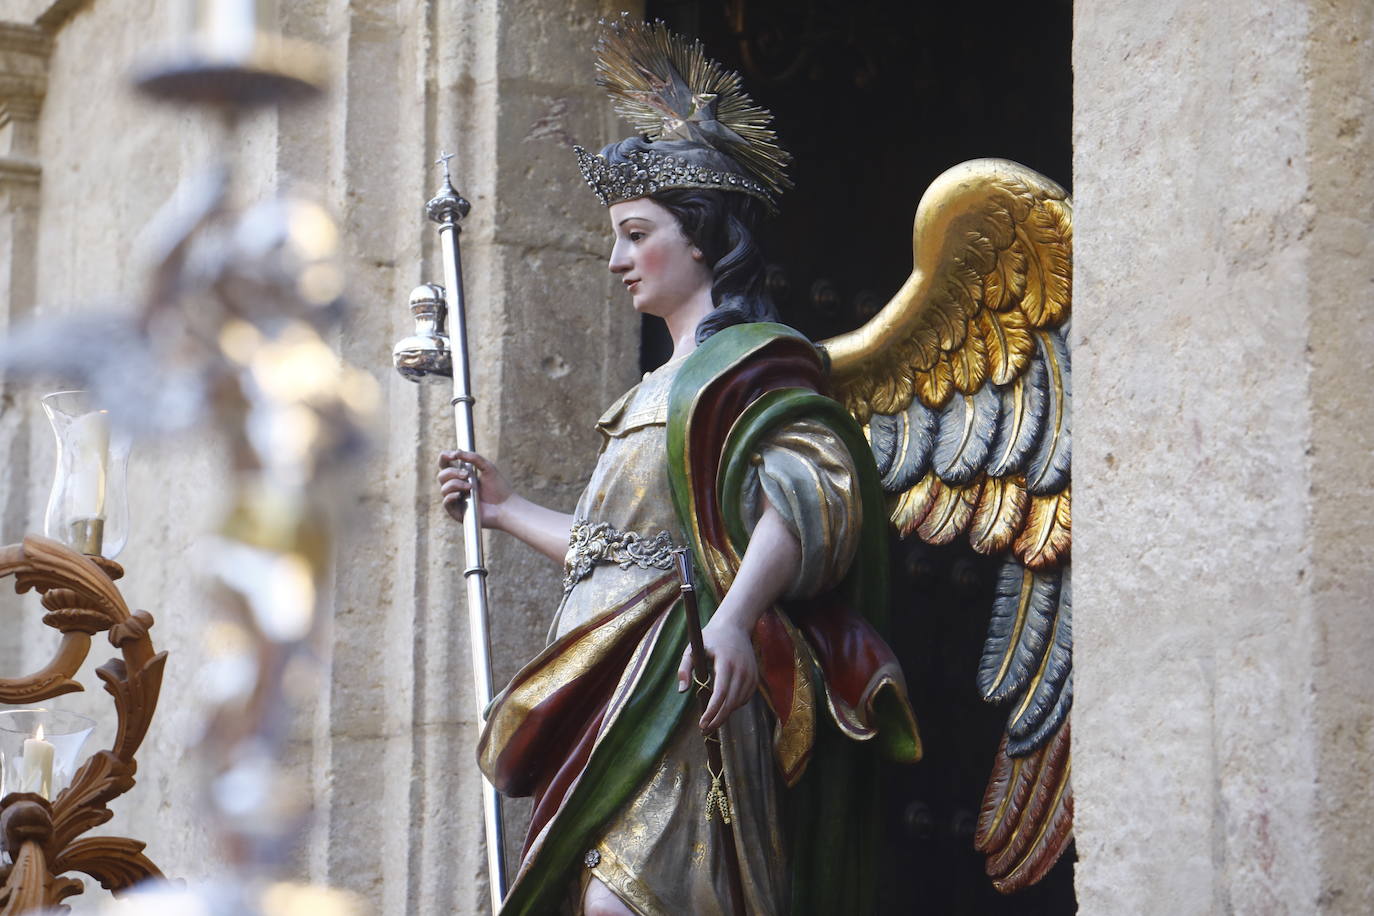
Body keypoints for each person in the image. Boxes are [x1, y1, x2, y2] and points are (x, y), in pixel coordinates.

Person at [436, 20, 919, 916]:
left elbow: (811, 494)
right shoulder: (654, 387)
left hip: (684, 672)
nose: (617, 258)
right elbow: (614, 552)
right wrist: (505, 511)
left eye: (634, 233)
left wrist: (735, 620)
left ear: (699, 239)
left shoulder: (752, 361)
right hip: (604, 674)